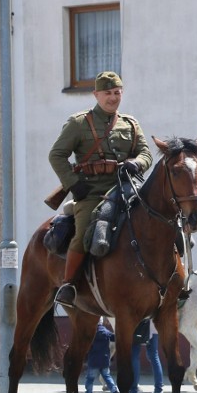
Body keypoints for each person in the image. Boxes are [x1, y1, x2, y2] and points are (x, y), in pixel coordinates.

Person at [49, 71, 152, 307]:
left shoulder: (130, 124)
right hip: (92, 192)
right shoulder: (79, 123)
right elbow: (57, 155)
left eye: (117, 92)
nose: (113, 98)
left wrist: (137, 163)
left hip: (127, 188)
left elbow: (146, 153)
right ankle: (69, 284)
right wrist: (74, 184)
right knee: (85, 229)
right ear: (96, 94)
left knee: (158, 217)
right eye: (108, 93)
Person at [81, 319, 119, 393]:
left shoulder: (91, 332)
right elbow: (115, 338)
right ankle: (114, 391)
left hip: (93, 359)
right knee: (107, 376)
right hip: (104, 359)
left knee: (90, 378)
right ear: (101, 322)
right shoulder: (106, 332)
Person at [130, 319, 164, 393]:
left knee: (134, 355)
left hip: (139, 325)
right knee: (154, 356)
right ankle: (159, 390)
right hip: (154, 326)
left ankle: (133, 392)